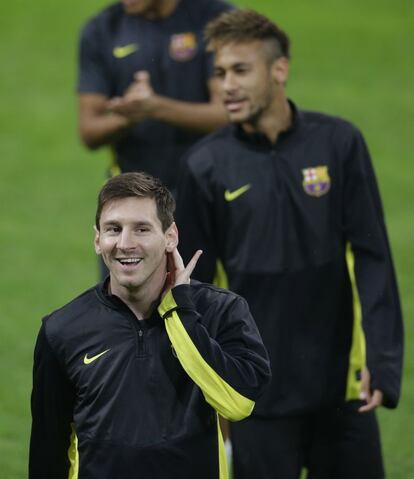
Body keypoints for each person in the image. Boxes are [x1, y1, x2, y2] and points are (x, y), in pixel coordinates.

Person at [176, 9, 403, 479]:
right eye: (219, 73)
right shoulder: (205, 165)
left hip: (344, 390)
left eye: (241, 70)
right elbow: (190, 284)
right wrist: (209, 386)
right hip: (258, 393)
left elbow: (373, 255)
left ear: (279, 70)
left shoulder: (339, 143)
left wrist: (382, 361)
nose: (226, 86)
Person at [29, 172, 271, 479]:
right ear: (97, 239)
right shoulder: (61, 330)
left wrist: (179, 312)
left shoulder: (220, 311)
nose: (125, 244)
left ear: (170, 236)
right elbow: (47, 453)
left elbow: (238, 403)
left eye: (142, 229)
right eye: (113, 229)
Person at [77, 0, 233, 194]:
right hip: (135, 196)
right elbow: (89, 131)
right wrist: (127, 118)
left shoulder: (217, 19)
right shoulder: (102, 29)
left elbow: (229, 114)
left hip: (209, 190)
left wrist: (156, 108)